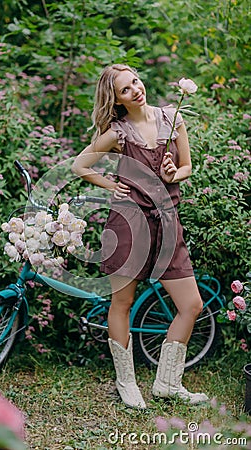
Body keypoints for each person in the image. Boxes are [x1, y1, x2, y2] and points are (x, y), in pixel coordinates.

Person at [71, 64, 208, 409]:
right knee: (122, 304)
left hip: (167, 222)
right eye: (125, 89)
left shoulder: (173, 118)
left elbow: (188, 166)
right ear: (117, 100)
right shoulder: (118, 133)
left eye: (135, 81)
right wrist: (111, 185)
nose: (135, 89)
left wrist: (175, 171)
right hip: (129, 224)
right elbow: (79, 166)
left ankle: (167, 384)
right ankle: (127, 383)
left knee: (191, 305)